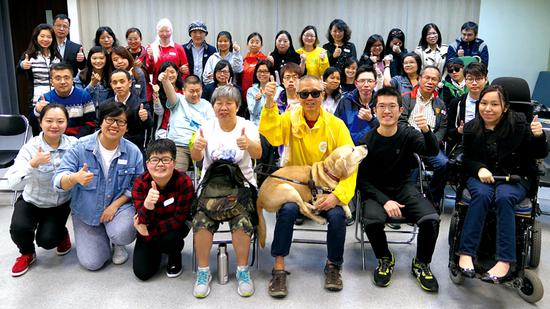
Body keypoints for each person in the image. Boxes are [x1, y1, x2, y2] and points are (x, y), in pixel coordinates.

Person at [260, 75, 355, 297]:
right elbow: (271, 135)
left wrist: (338, 195)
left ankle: (333, 266)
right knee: (287, 210)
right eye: (304, 94)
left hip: (328, 188)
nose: (310, 98)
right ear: (298, 96)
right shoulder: (290, 118)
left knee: (337, 215)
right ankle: (279, 268)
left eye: (315, 93)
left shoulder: (336, 125)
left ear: (323, 94)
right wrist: (269, 103)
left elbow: (350, 163)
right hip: (298, 187)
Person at [457, 85, 548, 283]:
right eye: (484, 103)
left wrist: (539, 136)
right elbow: (467, 158)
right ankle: (466, 253)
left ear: (505, 107)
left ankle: (504, 261)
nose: (487, 108)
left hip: (515, 176)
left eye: (494, 104)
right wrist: (479, 168)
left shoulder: (520, 124)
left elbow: (538, 154)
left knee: (505, 197)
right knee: (481, 196)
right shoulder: (472, 127)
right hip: (482, 177)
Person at [356, 86, 441, 292]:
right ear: (375, 110)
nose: (387, 111)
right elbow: (363, 181)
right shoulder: (366, 140)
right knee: (373, 221)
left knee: (432, 220)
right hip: (376, 192)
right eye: (382, 106)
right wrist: (385, 201)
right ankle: (385, 258)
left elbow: (431, 151)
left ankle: (421, 263)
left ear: (400, 110)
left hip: (404, 187)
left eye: (392, 106)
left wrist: (426, 131)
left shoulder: (408, 134)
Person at [190, 85, 262, 298]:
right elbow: (195, 158)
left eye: (229, 103)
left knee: (242, 220)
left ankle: (242, 271)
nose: (224, 107)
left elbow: (258, 152)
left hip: (241, 187)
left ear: (237, 106)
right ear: (212, 106)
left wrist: (248, 144)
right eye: (219, 103)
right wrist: (197, 147)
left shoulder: (247, 126)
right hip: (211, 187)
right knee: (201, 220)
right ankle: (203, 272)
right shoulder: (206, 126)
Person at [54, 102, 142, 270]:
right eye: (110, 119)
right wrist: (74, 178)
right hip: (87, 211)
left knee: (123, 232)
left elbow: (136, 186)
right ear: (101, 122)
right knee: (92, 263)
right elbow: (58, 180)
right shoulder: (80, 147)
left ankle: (117, 243)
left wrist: (115, 206)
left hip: (119, 208)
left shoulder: (133, 152)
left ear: (126, 128)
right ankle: (101, 236)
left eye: (120, 122)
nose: (114, 125)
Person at [7, 104, 77, 277]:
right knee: (18, 229)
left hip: (58, 203)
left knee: (47, 241)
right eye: (49, 121)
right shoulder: (30, 147)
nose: (55, 125)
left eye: (60, 121)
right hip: (32, 199)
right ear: (40, 122)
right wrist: (32, 164)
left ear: (67, 123)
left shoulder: (74, 145)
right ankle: (27, 253)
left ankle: (61, 234)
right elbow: (13, 183)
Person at [132, 139, 194, 280]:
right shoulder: (140, 183)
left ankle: (173, 255)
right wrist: (147, 205)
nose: (160, 164)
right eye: (154, 160)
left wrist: (149, 233)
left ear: (174, 162)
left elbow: (179, 219)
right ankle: (158, 249)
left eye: (166, 159)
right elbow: (142, 220)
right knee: (142, 273)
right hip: (149, 225)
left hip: (172, 229)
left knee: (171, 239)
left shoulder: (184, 182)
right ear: (147, 164)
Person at [399, 66, 448, 210]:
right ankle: (409, 202)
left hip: (430, 145)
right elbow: (400, 123)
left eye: (434, 79)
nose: (430, 82)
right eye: (427, 78)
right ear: (419, 79)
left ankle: (432, 198)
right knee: (411, 163)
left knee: (444, 164)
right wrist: (415, 138)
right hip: (409, 143)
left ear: (438, 82)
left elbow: (443, 128)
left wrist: (432, 141)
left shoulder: (440, 104)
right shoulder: (406, 98)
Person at [162, 73, 214, 172]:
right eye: (191, 91)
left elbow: (212, 126)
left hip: (201, 146)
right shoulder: (178, 100)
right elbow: (170, 93)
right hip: (179, 145)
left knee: (211, 171)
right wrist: (165, 81)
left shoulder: (207, 105)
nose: (195, 94)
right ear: (184, 91)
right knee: (177, 175)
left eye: (198, 91)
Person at [31, 63, 96, 138]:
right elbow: (34, 124)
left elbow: (91, 124)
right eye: (58, 78)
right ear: (51, 81)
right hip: (54, 141)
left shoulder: (84, 96)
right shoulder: (45, 99)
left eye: (66, 78)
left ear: (73, 79)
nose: (62, 82)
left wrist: (76, 141)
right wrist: (37, 111)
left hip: (79, 142)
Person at [19, 23, 62, 127]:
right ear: (36, 37)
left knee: (56, 126)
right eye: (42, 36)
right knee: (39, 127)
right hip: (37, 98)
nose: (45, 39)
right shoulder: (29, 55)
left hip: (56, 96)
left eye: (49, 37)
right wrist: (22, 65)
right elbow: (19, 71)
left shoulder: (56, 55)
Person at [103, 69, 152, 152]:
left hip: (133, 148)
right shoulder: (105, 105)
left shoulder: (141, 104)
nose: (118, 86)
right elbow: (99, 127)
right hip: (109, 147)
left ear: (129, 83)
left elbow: (149, 125)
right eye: (115, 83)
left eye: (122, 82)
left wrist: (145, 118)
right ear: (111, 85)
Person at [446, 62, 488, 152]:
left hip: (488, 145)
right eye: (470, 79)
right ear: (465, 80)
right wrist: (459, 130)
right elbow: (448, 132)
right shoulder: (456, 103)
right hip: (463, 146)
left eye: (479, 79)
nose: (474, 83)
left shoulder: (492, 103)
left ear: (486, 79)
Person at [335, 65, 378, 144]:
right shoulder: (345, 101)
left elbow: (388, 129)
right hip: (350, 148)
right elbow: (336, 127)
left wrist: (371, 120)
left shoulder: (381, 102)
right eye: (362, 81)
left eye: (370, 81)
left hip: (374, 149)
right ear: (356, 83)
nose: (366, 85)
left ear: (375, 84)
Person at [146, 18, 190, 85]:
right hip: (158, 86)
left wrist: (180, 84)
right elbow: (150, 71)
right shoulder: (152, 48)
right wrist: (151, 58)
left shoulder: (178, 48)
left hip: (175, 87)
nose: (164, 34)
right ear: (157, 32)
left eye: (167, 31)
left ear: (171, 31)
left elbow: (186, 71)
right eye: (161, 31)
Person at [151, 61, 184, 139]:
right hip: (164, 130)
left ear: (177, 73)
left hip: (180, 129)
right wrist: (156, 101)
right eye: (166, 73)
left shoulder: (184, 91)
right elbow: (159, 112)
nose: (169, 75)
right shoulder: (159, 91)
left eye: (172, 72)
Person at [75, 46, 113, 110]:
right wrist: (92, 84)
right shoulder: (81, 75)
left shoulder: (111, 75)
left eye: (101, 58)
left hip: (106, 112)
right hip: (86, 112)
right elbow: (79, 97)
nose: (98, 61)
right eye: (94, 58)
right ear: (90, 59)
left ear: (106, 59)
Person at [247, 60, 283, 125]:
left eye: (265, 71)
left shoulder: (279, 90)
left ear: (271, 73)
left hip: (273, 125)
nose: (262, 74)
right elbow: (253, 113)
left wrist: (269, 97)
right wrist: (257, 101)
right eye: (260, 71)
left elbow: (280, 111)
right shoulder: (251, 91)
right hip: (257, 126)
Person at [241, 32, 268, 103]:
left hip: (259, 95)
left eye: (257, 42)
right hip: (244, 94)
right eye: (252, 42)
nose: (254, 44)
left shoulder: (265, 60)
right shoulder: (243, 60)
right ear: (247, 44)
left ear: (261, 45)